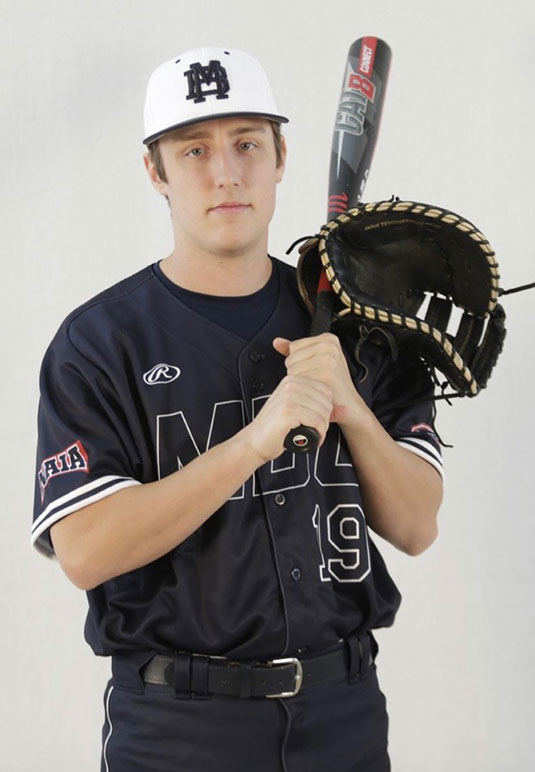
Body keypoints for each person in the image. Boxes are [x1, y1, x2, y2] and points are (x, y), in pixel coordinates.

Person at [31, 46, 444, 772]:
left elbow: (415, 526)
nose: (225, 173)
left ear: (281, 157)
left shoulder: (357, 328)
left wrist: (349, 405)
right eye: (194, 150)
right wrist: (253, 442)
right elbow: (86, 551)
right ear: (155, 171)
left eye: (247, 143)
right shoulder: (98, 343)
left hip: (344, 710)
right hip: (177, 727)